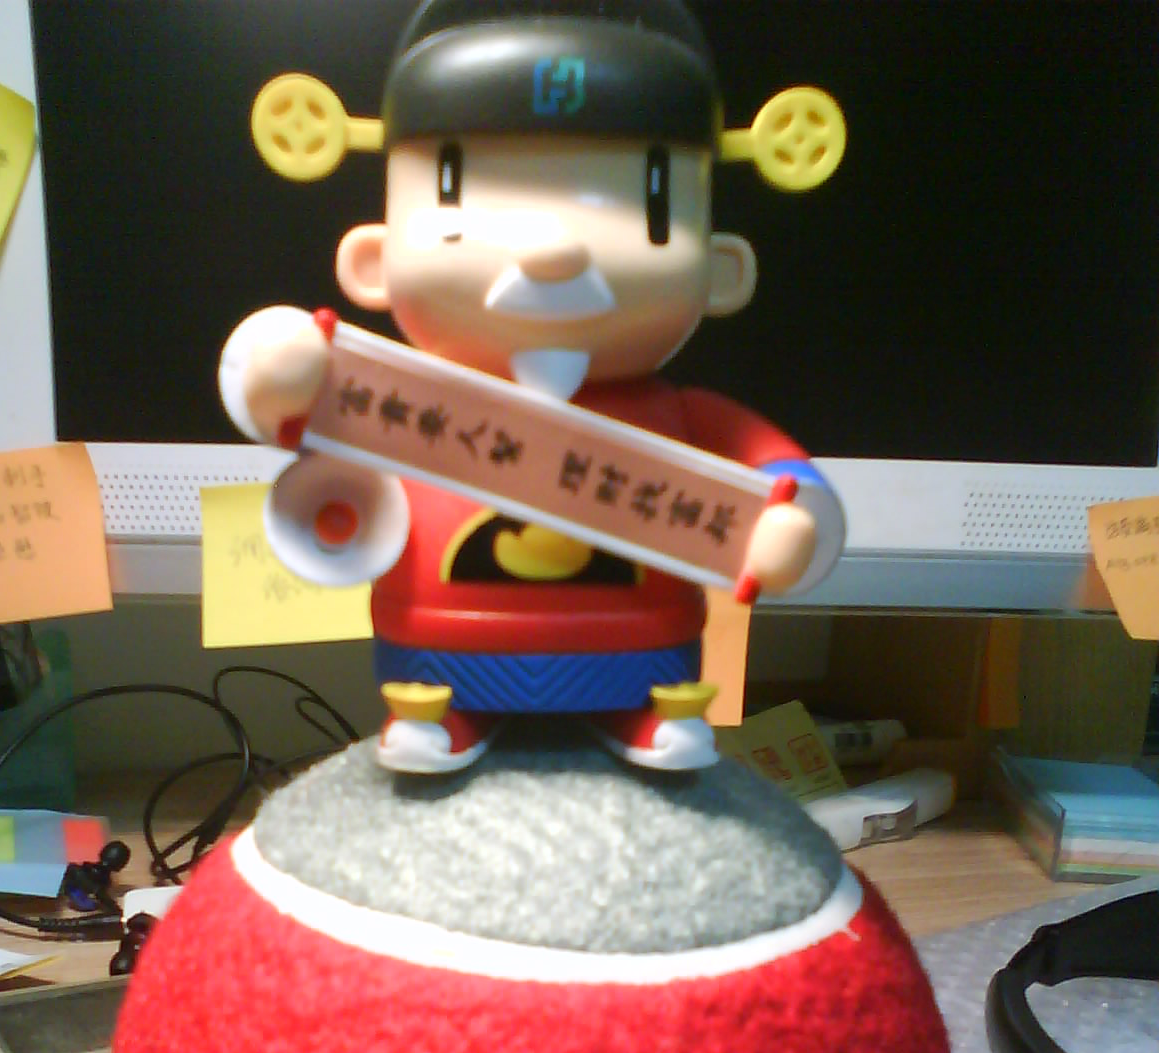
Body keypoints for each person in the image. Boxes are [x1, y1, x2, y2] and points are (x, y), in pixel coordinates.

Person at [220, 0, 844, 773]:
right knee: (436, 685)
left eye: (648, 206)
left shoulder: (677, 413)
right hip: (438, 640)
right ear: (371, 261)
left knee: (650, 683)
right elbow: (283, 409)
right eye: (456, 196)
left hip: (643, 644)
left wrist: (788, 521)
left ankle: (642, 711)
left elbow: (777, 473)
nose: (554, 247)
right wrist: (279, 377)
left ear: (722, 270)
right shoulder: (390, 399)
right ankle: (445, 713)